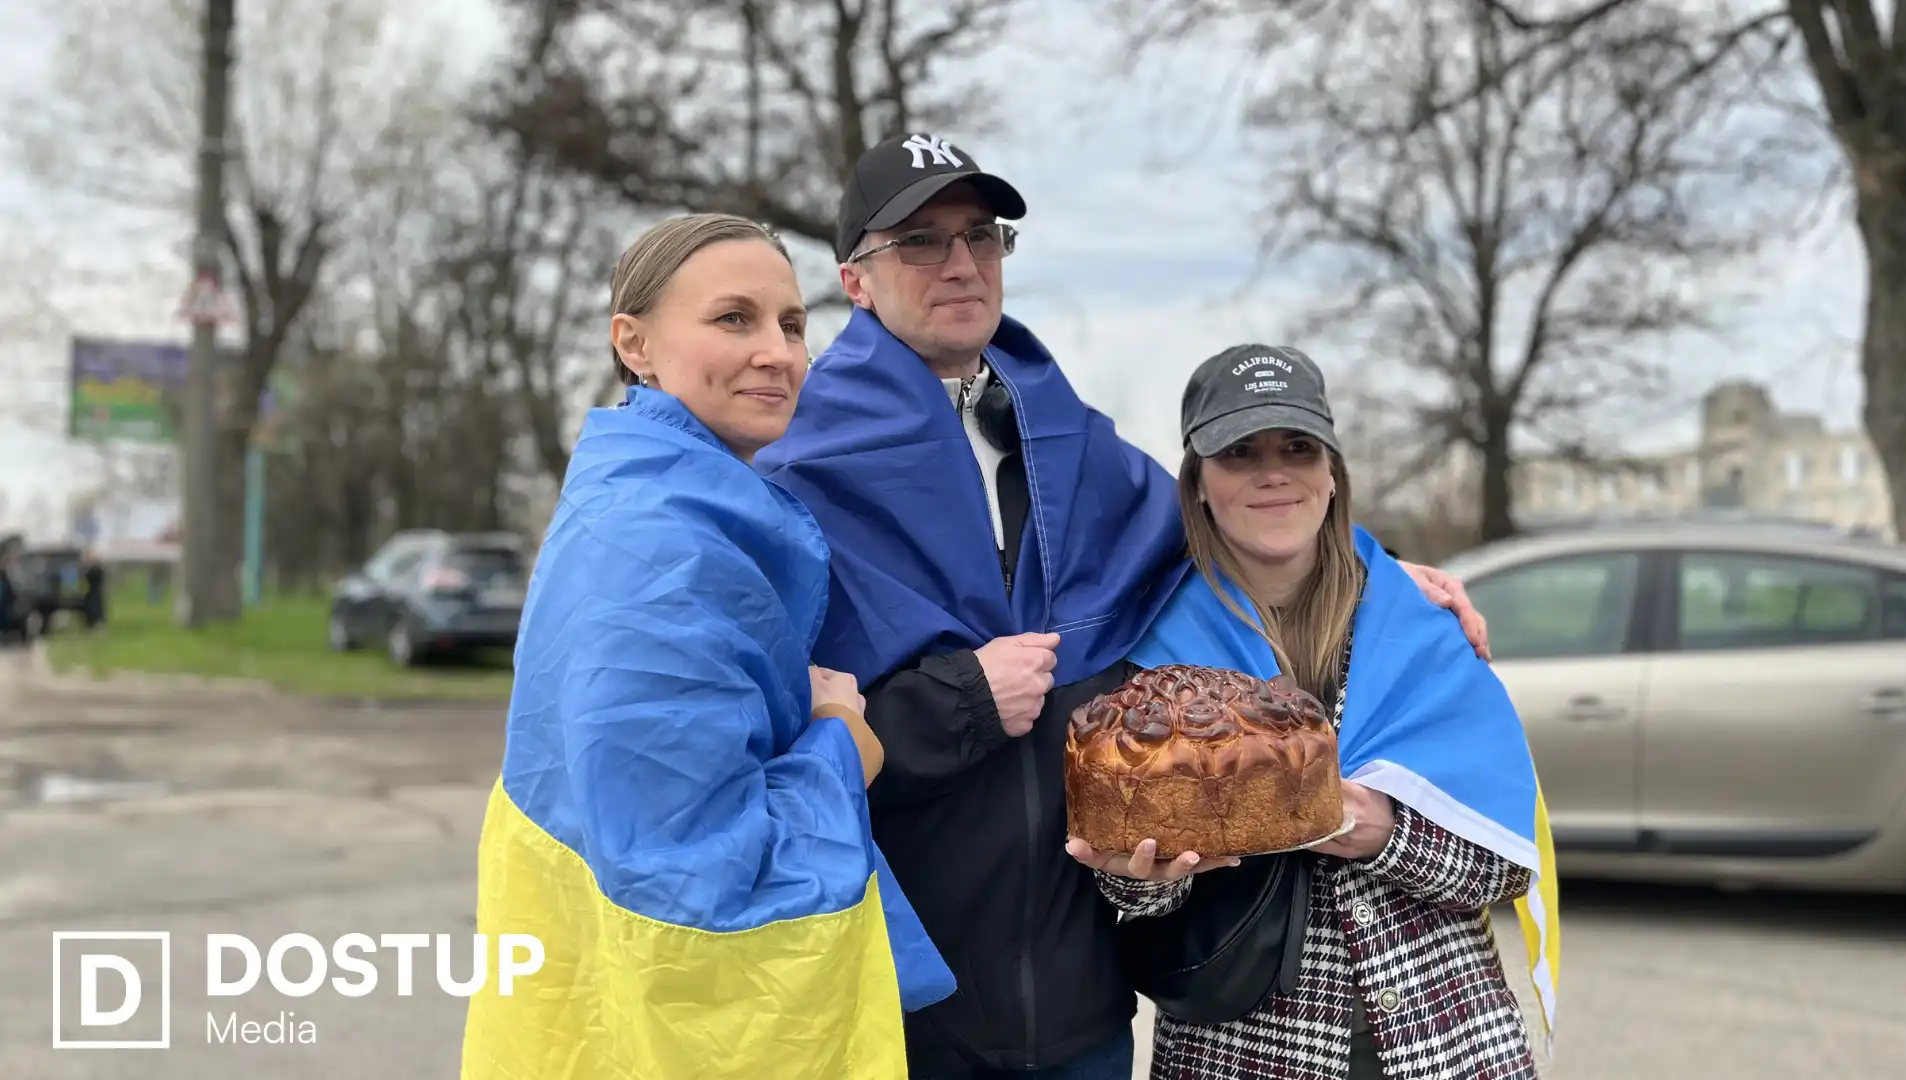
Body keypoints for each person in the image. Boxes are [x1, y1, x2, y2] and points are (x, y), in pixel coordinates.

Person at [754, 136, 1492, 1080]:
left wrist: (1383, 572)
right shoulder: (794, 477)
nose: (961, 263)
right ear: (855, 280)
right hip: (904, 1006)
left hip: (1082, 1006)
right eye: (920, 241)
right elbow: (776, 754)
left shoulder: (1069, 440)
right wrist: (962, 704)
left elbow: (1228, 525)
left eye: (982, 235)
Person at [461, 213, 955, 1080]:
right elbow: (700, 873)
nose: (778, 352)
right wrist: (844, 735)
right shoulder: (660, 547)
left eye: (792, 324)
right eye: (734, 319)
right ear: (635, 343)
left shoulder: (652, 507)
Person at [1067, 344, 1559, 1080]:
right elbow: (1129, 901)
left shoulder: (1426, 630)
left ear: (1333, 474)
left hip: (1446, 1045)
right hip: (1242, 1053)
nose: (1274, 471)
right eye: (1239, 451)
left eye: (1298, 447)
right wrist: (1145, 877)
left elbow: (1504, 862)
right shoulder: (1150, 657)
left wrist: (1386, 833)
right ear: (1198, 484)